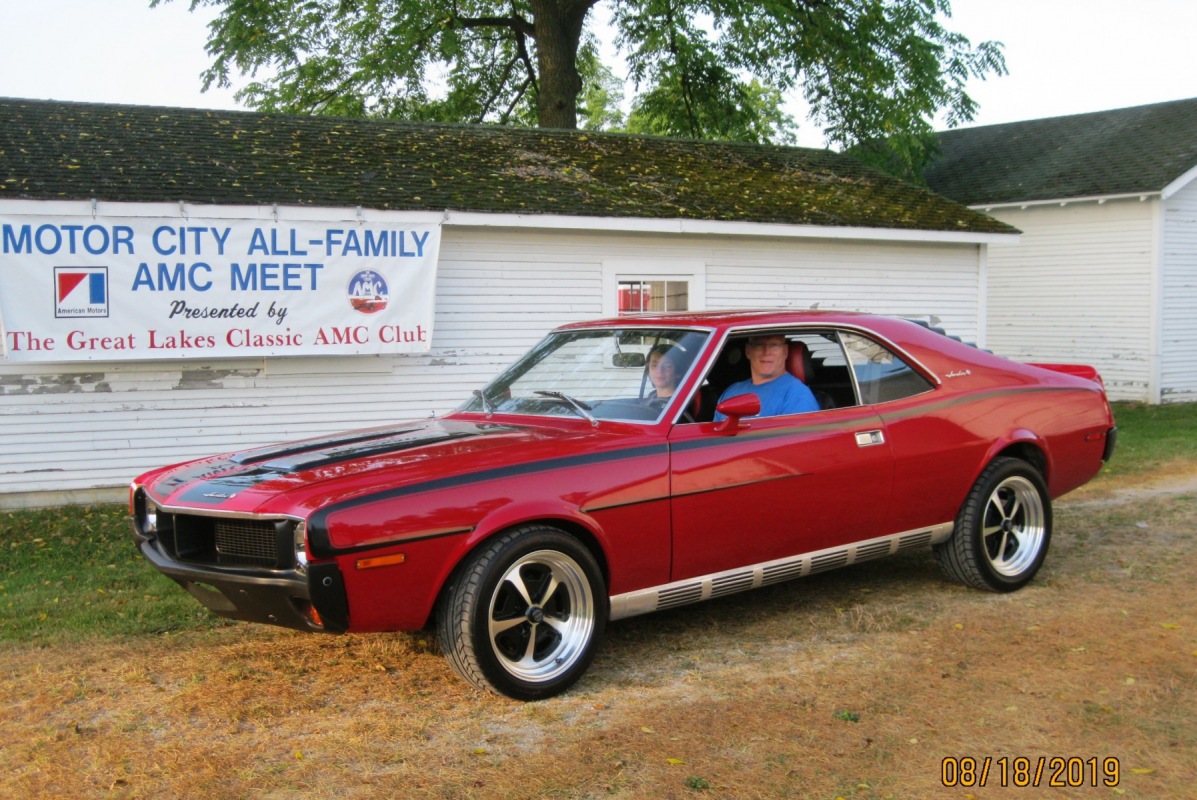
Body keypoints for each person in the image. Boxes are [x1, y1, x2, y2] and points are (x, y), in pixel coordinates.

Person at [713, 334, 819, 420]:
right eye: (759, 345)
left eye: (774, 345)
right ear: (748, 351)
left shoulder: (797, 395)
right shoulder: (731, 392)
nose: (767, 352)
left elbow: (793, 439)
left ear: (785, 352)